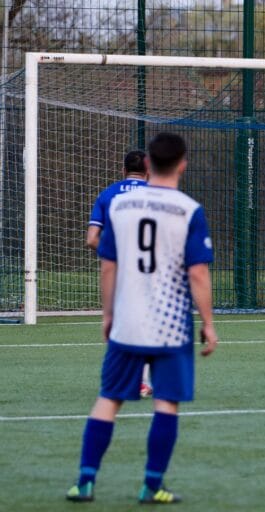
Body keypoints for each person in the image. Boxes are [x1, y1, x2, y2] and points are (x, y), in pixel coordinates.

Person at [66, 132, 219, 504]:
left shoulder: (121, 206)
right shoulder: (188, 209)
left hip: (128, 321)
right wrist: (209, 323)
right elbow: (198, 273)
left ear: (148, 163)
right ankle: (152, 485)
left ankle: (85, 481)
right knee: (165, 402)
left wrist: (107, 314)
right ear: (183, 163)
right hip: (170, 326)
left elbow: (107, 265)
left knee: (108, 400)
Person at [86, 150, 154, 398]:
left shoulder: (107, 194)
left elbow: (92, 239)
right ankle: (140, 380)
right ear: (148, 172)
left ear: (123, 171)